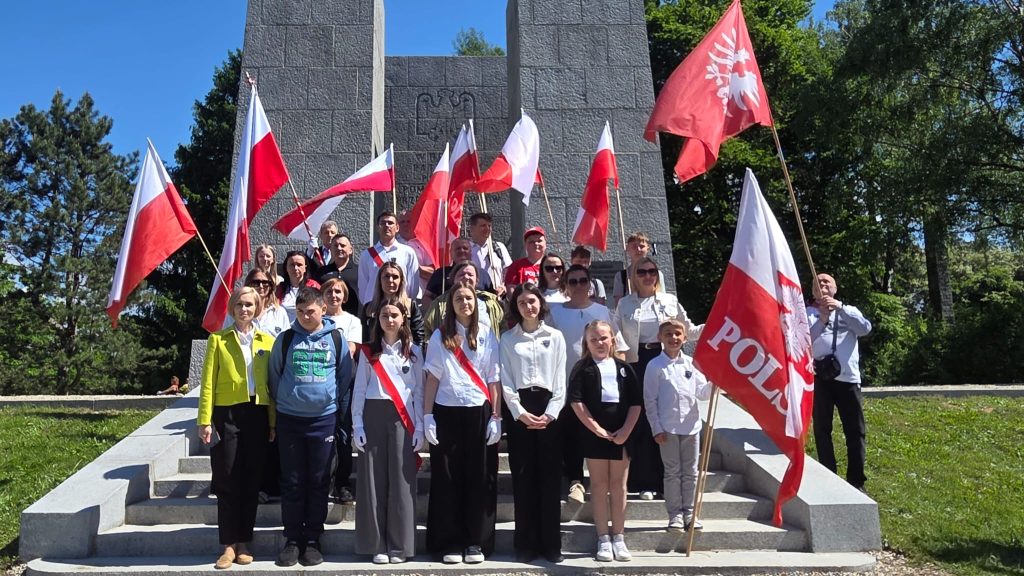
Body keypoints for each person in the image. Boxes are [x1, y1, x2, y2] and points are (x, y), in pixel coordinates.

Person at [268, 287, 354, 567]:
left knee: (319, 481)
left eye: (311, 311)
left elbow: (344, 376)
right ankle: (293, 539)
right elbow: (274, 375)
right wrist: (289, 400)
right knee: (292, 481)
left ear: (323, 310)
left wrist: (330, 404)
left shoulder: (336, 339)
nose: (305, 316)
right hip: (290, 419)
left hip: (323, 420)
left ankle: (314, 539)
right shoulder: (285, 339)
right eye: (300, 312)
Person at [423, 282, 502, 564]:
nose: (464, 302)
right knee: (447, 479)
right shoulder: (439, 336)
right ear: (451, 304)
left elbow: (493, 377)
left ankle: (475, 542)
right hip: (446, 410)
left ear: (476, 303)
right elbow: (432, 377)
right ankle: (449, 542)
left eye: (468, 298)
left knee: (479, 478)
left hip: (479, 411)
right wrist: (427, 415)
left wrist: (496, 416)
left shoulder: (487, 335)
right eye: (458, 298)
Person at [197, 286, 275, 569]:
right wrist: (204, 420)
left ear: (257, 309)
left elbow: (271, 385)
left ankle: (244, 542)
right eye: (240, 304)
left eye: (250, 305)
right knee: (227, 478)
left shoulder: (268, 341)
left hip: (257, 413)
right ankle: (228, 545)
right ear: (232, 308)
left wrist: (272, 422)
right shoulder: (218, 340)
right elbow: (207, 383)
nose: (244, 309)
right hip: (226, 413)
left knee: (251, 480)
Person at [615, 256, 702, 500]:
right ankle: (645, 481)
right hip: (637, 362)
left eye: (652, 271)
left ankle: (668, 482)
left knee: (665, 417)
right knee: (643, 420)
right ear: (633, 276)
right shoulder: (625, 304)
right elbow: (616, 334)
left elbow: (688, 330)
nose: (647, 276)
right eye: (641, 272)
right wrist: (620, 359)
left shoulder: (669, 301)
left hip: (666, 359)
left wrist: (715, 324)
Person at [351, 296, 425, 564]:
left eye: (394, 315)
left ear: (404, 318)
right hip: (373, 414)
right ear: (377, 319)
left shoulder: (414, 352)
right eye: (385, 315)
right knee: (373, 483)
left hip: (403, 419)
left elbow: (419, 391)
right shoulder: (368, 352)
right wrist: (357, 423)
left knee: (402, 483)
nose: (390, 320)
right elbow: (359, 389)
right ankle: (376, 545)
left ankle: (400, 545)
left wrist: (420, 428)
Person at [547, 264, 629, 504]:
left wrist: (619, 380)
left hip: (600, 384)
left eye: (583, 281)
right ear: (565, 285)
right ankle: (576, 481)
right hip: (566, 384)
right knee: (571, 434)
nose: (578, 286)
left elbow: (619, 348)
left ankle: (602, 483)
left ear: (590, 284)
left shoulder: (602, 312)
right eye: (572, 281)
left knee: (597, 432)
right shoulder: (555, 313)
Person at [499, 283, 566, 563]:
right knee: (523, 478)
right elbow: (506, 380)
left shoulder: (556, 337)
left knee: (549, 479)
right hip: (521, 411)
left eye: (532, 301)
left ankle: (551, 545)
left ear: (541, 304)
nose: (528, 307)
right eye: (522, 302)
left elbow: (560, 379)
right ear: (516, 306)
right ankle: (525, 544)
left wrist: (551, 413)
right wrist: (519, 412)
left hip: (549, 408)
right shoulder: (508, 339)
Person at [568, 320, 642, 562]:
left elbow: (636, 403)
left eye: (603, 338)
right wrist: (597, 429)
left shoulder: (624, 368)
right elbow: (577, 402)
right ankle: (603, 538)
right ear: (586, 343)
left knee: (619, 486)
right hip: (595, 435)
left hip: (622, 434)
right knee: (599, 485)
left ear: (612, 339)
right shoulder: (582, 368)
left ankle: (619, 537)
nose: (599, 343)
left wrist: (626, 431)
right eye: (594, 339)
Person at [643, 319, 712, 532]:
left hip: (691, 427)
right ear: (660, 338)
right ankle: (675, 515)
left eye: (677, 334)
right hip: (668, 428)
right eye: (668, 334)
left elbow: (702, 393)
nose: (673, 338)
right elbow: (650, 400)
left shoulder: (692, 363)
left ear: (685, 338)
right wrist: (656, 428)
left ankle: (690, 513)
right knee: (672, 472)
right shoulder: (655, 366)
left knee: (691, 472)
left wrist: (716, 382)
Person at [808, 273, 873, 492]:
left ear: (835, 288)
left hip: (848, 379)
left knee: (855, 430)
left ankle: (856, 481)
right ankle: (828, 476)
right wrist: (822, 319)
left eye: (826, 281)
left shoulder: (849, 310)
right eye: (817, 282)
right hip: (820, 379)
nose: (822, 284)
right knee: (821, 429)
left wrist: (841, 308)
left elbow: (864, 329)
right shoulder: (807, 313)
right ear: (813, 291)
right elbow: (805, 341)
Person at [322, 278, 361, 504]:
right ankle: (324, 483)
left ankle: (342, 483)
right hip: (320, 385)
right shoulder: (316, 319)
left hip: (344, 384)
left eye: (338, 291)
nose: (333, 295)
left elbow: (350, 350)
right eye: (328, 291)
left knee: (344, 436)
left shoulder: (352, 321)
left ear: (344, 297)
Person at [423, 262, 504, 338]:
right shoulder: (439, 303)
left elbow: (503, 326)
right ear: (453, 279)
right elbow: (427, 328)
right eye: (462, 274)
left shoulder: (490, 302)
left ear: (477, 280)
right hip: (452, 346)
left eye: (470, 274)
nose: (466, 277)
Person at [358, 211, 420, 304]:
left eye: (390, 223)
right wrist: (368, 305)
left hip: (400, 306)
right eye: (383, 223)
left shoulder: (408, 253)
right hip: (374, 307)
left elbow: (413, 285)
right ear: (377, 228)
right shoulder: (367, 255)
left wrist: (405, 304)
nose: (387, 226)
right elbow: (363, 286)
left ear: (397, 228)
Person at [361, 262, 425, 344]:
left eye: (395, 277)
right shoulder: (369, 308)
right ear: (380, 280)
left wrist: (415, 351)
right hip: (376, 351)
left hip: (405, 351)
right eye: (386, 276)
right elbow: (365, 339)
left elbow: (419, 338)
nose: (390, 280)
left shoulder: (410, 306)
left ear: (401, 281)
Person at [424, 237, 494, 307]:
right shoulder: (441, 273)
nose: (462, 251)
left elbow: (492, 297)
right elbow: (427, 296)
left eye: (465, 248)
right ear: (451, 253)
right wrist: (436, 310)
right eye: (458, 248)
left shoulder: (483, 274)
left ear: (471, 252)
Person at [611, 232, 666, 309]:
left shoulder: (657, 274)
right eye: (634, 247)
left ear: (648, 248)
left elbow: (663, 299)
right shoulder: (621, 276)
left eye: (642, 246)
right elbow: (618, 305)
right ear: (627, 248)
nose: (638, 249)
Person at [315, 233, 361, 316]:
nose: (339, 248)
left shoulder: (360, 271)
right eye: (335, 246)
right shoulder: (322, 272)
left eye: (342, 245)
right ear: (331, 249)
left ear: (350, 250)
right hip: (327, 319)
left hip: (354, 318)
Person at [468, 212, 513, 298]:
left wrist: (503, 286)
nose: (487, 229)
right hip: (474, 297)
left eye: (489, 226)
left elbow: (508, 270)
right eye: (483, 226)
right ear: (472, 229)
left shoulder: (499, 247)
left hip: (497, 297)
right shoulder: (466, 249)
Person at [397, 209, 436, 293]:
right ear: (397, 226)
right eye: (402, 222)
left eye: (409, 221)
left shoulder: (424, 244)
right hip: (398, 294)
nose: (405, 224)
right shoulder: (392, 245)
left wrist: (416, 268)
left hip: (420, 294)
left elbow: (433, 273)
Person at [277, 251, 321, 323]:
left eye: (299, 265)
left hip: (307, 327)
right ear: (286, 268)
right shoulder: (279, 288)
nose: (295, 268)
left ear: (305, 268)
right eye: (292, 265)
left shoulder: (314, 286)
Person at [245, 269, 290, 337]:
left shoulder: (279, 312)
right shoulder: (238, 310)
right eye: (256, 283)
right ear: (248, 285)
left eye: (265, 283)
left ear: (270, 287)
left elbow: (287, 339)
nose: (261, 286)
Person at [504, 226, 547, 294]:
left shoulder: (552, 266)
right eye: (531, 242)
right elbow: (511, 291)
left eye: (539, 241)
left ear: (545, 243)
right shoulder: (516, 266)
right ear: (525, 245)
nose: (536, 244)